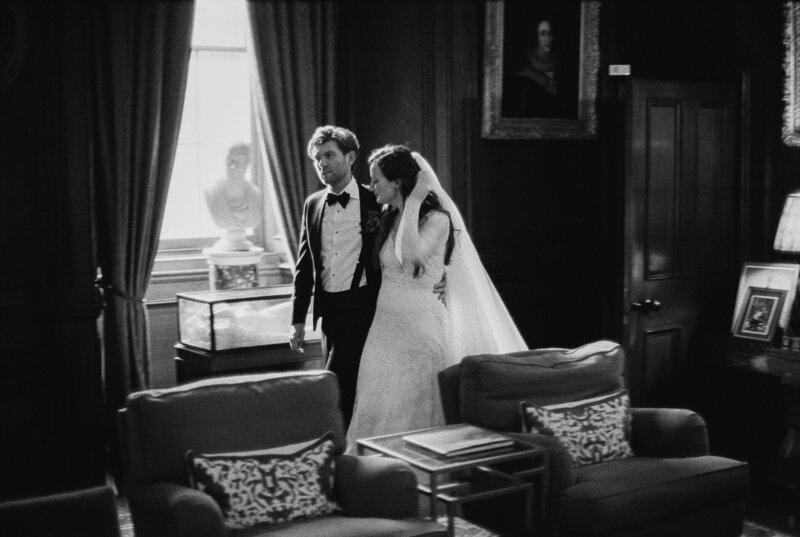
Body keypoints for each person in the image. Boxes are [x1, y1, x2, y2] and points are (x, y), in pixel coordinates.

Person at [346, 145, 529, 448]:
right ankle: (374, 473)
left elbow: (410, 257)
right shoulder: (389, 217)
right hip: (383, 329)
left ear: (398, 183)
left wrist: (415, 199)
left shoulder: (437, 220)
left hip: (419, 327)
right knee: (376, 396)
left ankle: (416, 474)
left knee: (413, 401)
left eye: (377, 180)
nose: (371, 186)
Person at [503, 18, 568, 118]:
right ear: (537, 37)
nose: (547, 37)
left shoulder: (562, 61)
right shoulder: (524, 69)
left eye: (550, 33)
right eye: (543, 34)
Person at [204, 143, 262, 250]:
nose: (233, 166)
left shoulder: (255, 194)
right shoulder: (211, 192)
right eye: (230, 160)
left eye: (239, 160)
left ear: (248, 164)